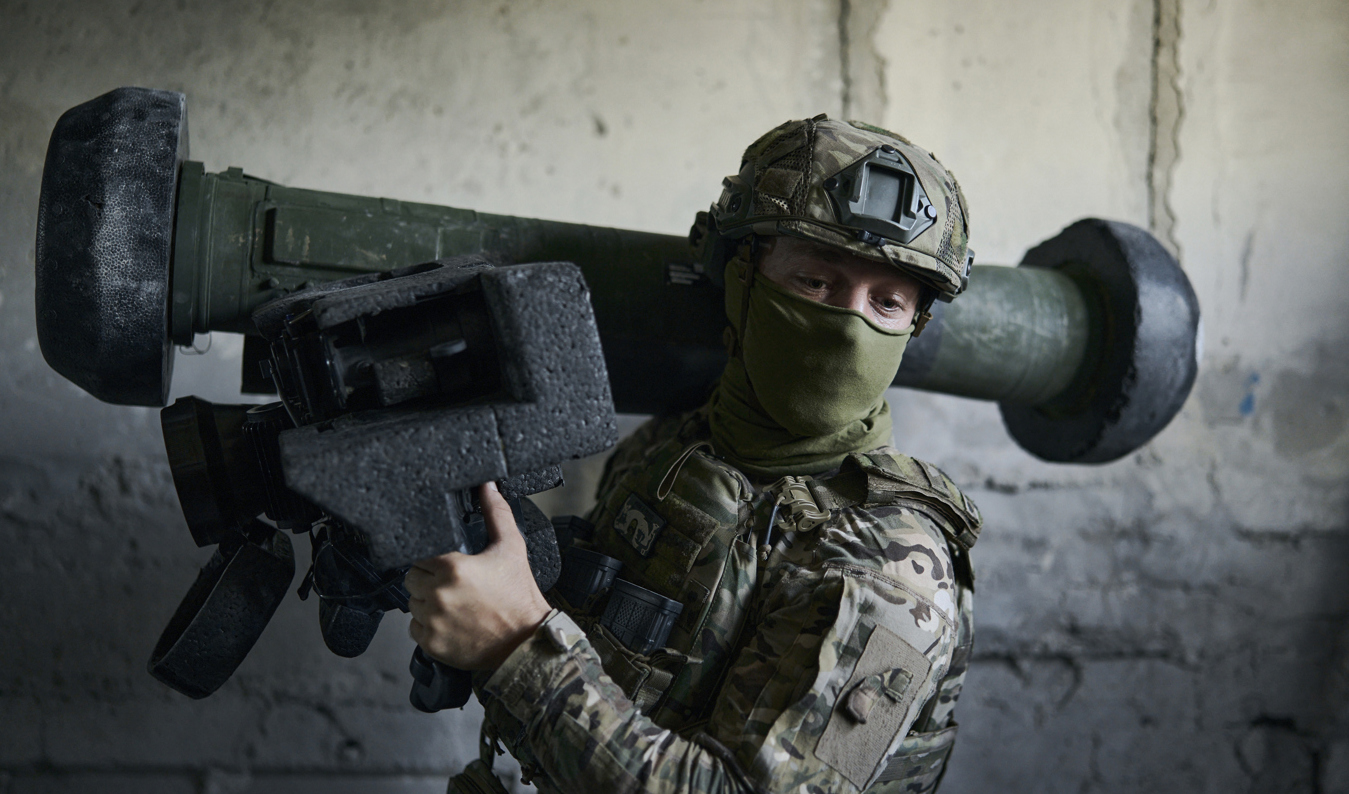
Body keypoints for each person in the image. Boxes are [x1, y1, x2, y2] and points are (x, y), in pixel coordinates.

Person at [404, 115, 982, 794]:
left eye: (885, 304)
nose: (845, 327)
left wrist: (516, 647)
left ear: (911, 328)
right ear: (741, 279)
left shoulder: (892, 568)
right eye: (815, 284)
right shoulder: (675, 449)